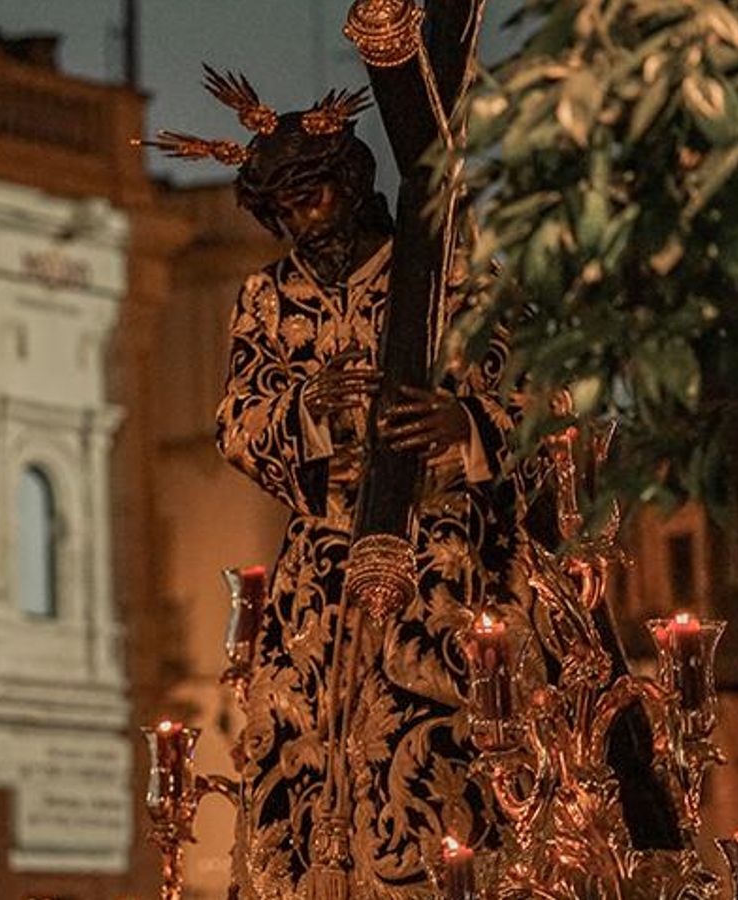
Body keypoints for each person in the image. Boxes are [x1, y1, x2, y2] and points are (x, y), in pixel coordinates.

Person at [148, 70, 532, 897]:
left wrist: (463, 425)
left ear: (351, 185)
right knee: (303, 756)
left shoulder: (453, 278)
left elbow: (539, 400)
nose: (302, 223)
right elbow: (237, 423)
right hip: (320, 581)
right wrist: (306, 414)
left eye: (311, 199)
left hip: (443, 562)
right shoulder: (267, 298)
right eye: (282, 211)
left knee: (440, 746)